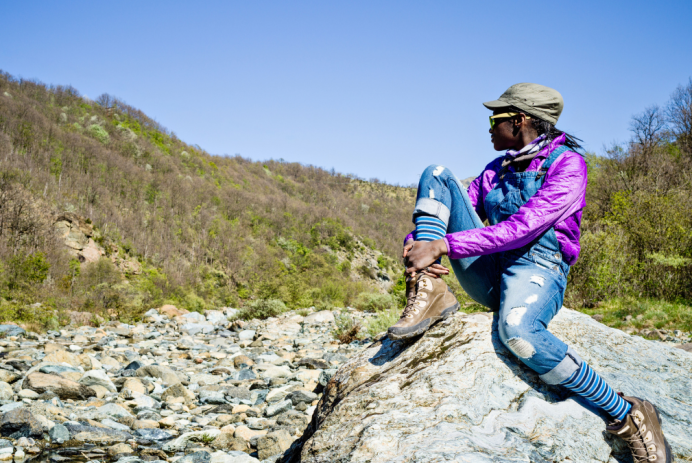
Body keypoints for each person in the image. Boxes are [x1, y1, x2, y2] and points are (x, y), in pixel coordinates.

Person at [388, 83, 672, 462]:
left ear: (519, 120)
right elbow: (460, 211)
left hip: (539, 268)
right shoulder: (495, 170)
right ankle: (428, 290)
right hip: (492, 272)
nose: (489, 127)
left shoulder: (568, 165)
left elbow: (524, 227)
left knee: (518, 333)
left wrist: (444, 246)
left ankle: (628, 417)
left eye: (496, 119)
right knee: (437, 173)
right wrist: (419, 241)